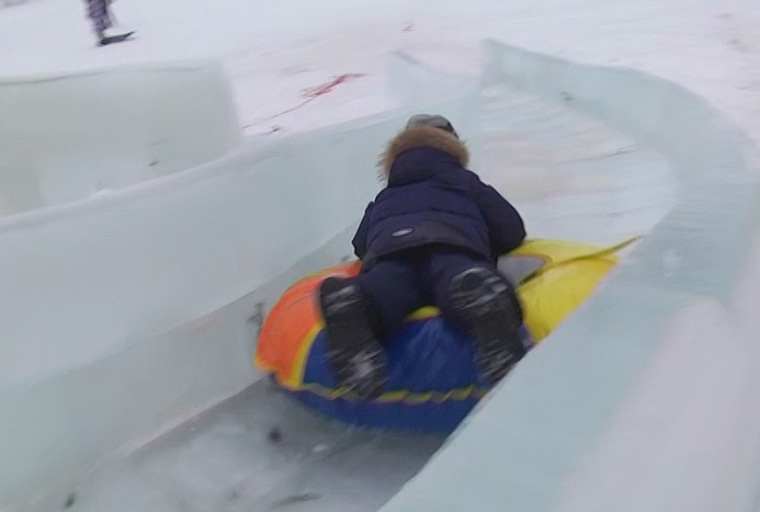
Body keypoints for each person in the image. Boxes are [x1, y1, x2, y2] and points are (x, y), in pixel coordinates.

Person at [319, 114, 527, 399]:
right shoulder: (465, 181)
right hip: (452, 245)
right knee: (456, 278)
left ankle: (356, 302)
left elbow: (361, 244)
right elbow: (511, 229)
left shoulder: (387, 194)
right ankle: (480, 296)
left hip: (391, 251)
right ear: (453, 145)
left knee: (386, 287)